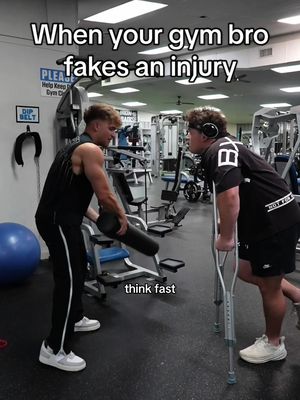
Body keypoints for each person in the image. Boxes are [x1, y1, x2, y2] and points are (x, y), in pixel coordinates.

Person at [186, 106, 300, 364]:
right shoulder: (220, 149)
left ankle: (274, 344)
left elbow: (230, 196)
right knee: (245, 269)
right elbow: (227, 192)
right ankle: (296, 295)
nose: (187, 137)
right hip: (257, 220)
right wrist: (225, 221)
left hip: (274, 220)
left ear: (207, 132)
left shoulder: (221, 150)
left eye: (190, 131)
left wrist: (226, 236)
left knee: (269, 285)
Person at [35, 103, 128, 372]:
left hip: (64, 220)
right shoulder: (90, 149)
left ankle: (75, 317)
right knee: (69, 280)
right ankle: (54, 348)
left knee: (78, 268)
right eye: (111, 129)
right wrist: (122, 217)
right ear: (96, 125)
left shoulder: (76, 147)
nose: (113, 135)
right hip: (58, 223)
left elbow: (72, 194)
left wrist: (98, 219)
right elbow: (105, 194)